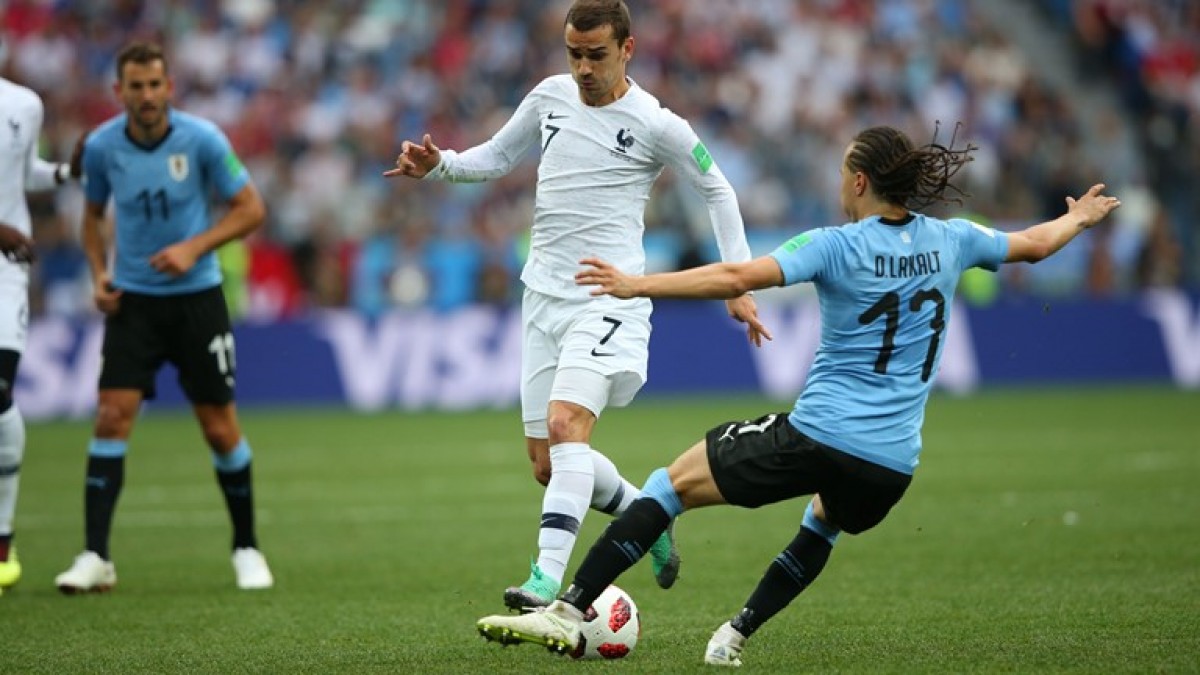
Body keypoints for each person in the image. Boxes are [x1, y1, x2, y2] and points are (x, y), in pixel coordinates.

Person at [475, 125, 1121, 665]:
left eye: (843, 175)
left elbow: (738, 273)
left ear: (859, 183)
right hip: (893, 466)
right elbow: (1034, 245)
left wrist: (638, 285)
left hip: (820, 435)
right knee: (824, 520)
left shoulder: (835, 245)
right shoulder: (953, 239)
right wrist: (1078, 218)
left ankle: (568, 608)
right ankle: (733, 636)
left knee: (668, 486)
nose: (839, 185)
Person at [386, 0, 766, 610]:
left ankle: (545, 582)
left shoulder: (656, 123)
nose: (584, 68)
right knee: (548, 463)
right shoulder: (549, 97)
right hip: (541, 297)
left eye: (596, 55)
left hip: (608, 297)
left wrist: (738, 282)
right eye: (574, 54)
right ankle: (650, 515)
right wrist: (441, 166)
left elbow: (717, 190)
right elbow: (498, 156)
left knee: (567, 425)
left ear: (627, 50)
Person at [53, 42, 273, 593]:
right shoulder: (101, 147)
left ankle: (247, 547)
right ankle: (95, 555)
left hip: (197, 300)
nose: (147, 95)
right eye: (136, 86)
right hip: (134, 304)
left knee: (219, 428)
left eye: (155, 84)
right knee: (111, 417)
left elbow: (251, 209)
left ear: (169, 86)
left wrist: (194, 248)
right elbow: (92, 216)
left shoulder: (202, 139)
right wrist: (98, 273)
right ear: (119, 91)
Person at [0, 54, 87, 596]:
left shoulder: (23, 104)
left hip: (5, 269)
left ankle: (2, 541)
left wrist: (64, 174)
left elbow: (22, 170)